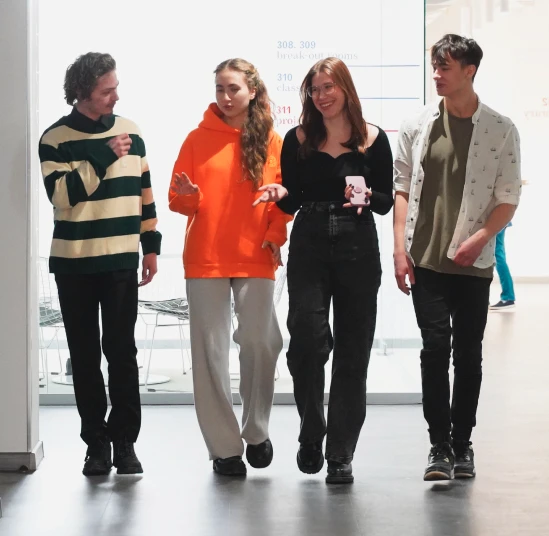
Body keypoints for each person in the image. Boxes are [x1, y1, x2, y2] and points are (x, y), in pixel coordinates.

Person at [393, 34, 521, 481]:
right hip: (425, 260)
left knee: (468, 354)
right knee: (434, 350)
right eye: (434, 66)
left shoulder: (501, 129)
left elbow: (508, 197)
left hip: (473, 263)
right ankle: (439, 446)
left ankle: (463, 443)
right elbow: (402, 188)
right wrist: (399, 249)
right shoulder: (417, 125)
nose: (436, 75)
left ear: (469, 71)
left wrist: (482, 237)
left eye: (445, 67)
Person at [268, 57, 394, 484]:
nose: (321, 96)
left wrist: (368, 195)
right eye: (314, 89)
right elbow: (292, 199)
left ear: (344, 88)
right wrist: (280, 193)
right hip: (310, 240)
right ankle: (311, 429)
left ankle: (340, 452)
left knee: (353, 352)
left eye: (328, 87)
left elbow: (385, 202)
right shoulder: (299, 137)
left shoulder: (373, 138)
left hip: (358, 243)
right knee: (306, 340)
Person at [39, 53, 162, 476]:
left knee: (122, 352)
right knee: (85, 356)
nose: (116, 97)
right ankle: (96, 444)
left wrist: (151, 246)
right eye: (107, 90)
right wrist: (103, 158)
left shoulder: (132, 131)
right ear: (82, 91)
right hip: (74, 264)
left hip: (121, 262)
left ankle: (125, 442)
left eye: (116, 87)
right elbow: (62, 196)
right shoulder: (55, 138)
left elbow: (145, 193)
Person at [168, 58, 291, 477]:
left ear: (252, 91)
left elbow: (283, 198)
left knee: (262, 341)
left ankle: (256, 429)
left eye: (233, 88)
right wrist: (190, 196)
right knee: (210, 353)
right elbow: (178, 199)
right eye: (219, 88)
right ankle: (224, 448)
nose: (225, 96)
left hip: (255, 252)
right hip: (205, 255)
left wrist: (275, 234)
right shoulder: (196, 139)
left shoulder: (272, 140)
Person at [490, 222, 516, 310]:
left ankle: (508, 298)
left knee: (498, 256)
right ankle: (508, 297)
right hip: (500, 220)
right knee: (498, 254)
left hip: (497, 220)